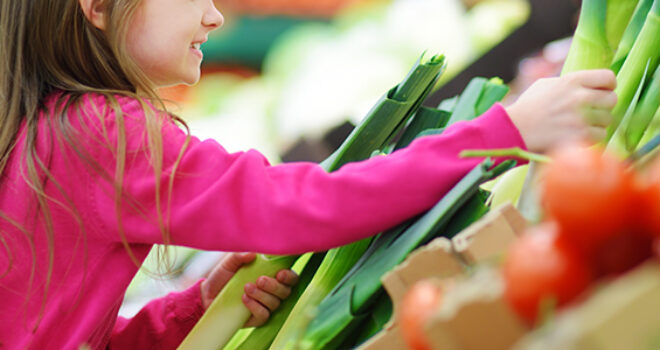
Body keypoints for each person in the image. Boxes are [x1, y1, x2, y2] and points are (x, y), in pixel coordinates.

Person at [0, 0, 617, 349]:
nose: (215, 17)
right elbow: (294, 208)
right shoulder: (102, 132)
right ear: (99, 7)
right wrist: (502, 134)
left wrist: (193, 308)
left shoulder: (45, 131)